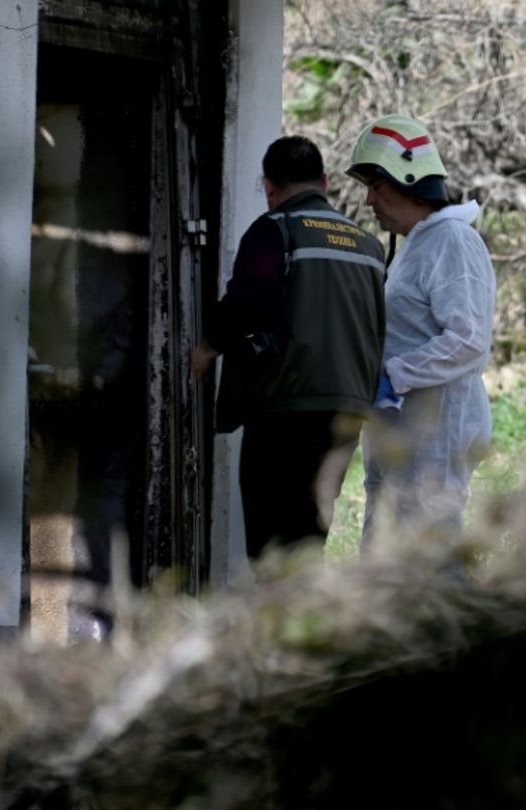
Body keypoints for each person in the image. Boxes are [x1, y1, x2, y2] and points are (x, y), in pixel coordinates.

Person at [192, 135, 387, 563]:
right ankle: (306, 621)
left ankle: (279, 623)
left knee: (272, 541)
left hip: (287, 406)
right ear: (326, 182)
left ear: (269, 187)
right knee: (310, 530)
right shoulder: (369, 246)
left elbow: (248, 301)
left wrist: (207, 347)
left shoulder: (276, 230)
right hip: (348, 408)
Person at [344, 115, 496, 548]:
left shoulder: (453, 241)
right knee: (388, 551)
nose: (370, 200)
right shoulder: (419, 243)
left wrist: (395, 375)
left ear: (407, 180)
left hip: (436, 432)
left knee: (428, 561)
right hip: (401, 430)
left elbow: (469, 340)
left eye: (377, 186)